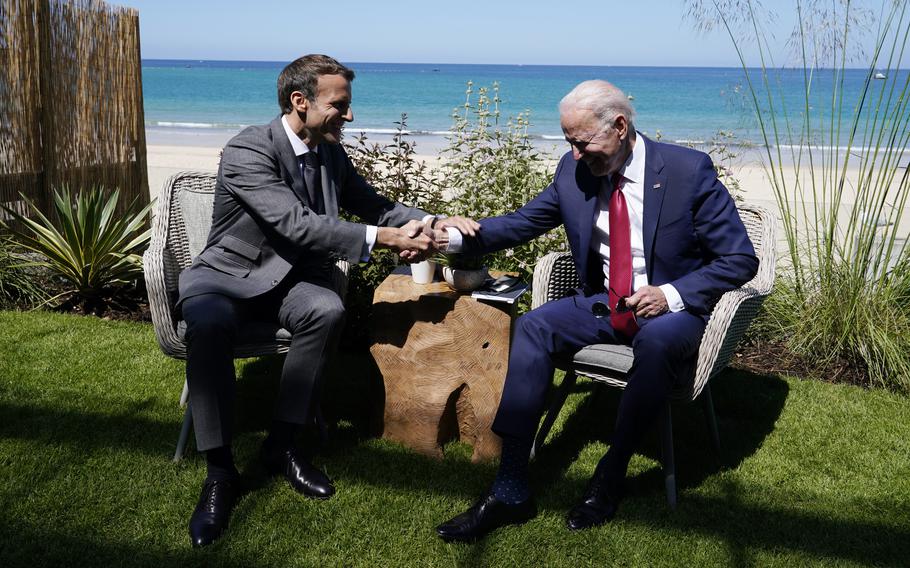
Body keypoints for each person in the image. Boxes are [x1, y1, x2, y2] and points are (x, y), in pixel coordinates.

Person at [433, 80, 759, 542]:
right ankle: (509, 487)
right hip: (603, 304)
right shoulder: (575, 169)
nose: (574, 153)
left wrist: (670, 294)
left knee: (658, 341)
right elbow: (522, 223)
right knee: (532, 327)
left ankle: (610, 474)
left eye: (581, 142)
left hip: (672, 311)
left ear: (621, 127)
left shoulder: (688, 171)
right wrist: (450, 235)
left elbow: (740, 259)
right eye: (568, 141)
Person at [177, 54, 477, 548]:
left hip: (291, 282)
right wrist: (385, 239)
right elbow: (296, 223)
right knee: (207, 326)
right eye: (340, 105)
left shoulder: (330, 154)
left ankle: (282, 445)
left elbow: (376, 205)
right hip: (226, 279)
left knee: (327, 308)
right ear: (300, 101)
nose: (350, 116)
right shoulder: (248, 148)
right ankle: (220, 471)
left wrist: (437, 222)